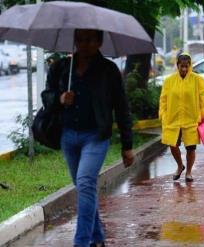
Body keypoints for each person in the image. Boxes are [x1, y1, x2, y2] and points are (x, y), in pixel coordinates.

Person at [43, 29, 134, 247]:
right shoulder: (62, 67)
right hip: (68, 136)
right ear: (75, 40)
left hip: (95, 136)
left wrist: (127, 145)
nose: (84, 44)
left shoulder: (108, 70)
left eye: (90, 40)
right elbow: (47, 96)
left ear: (99, 42)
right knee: (84, 187)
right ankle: (98, 237)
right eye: (80, 39)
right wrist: (60, 98)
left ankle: (81, 242)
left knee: (84, 183)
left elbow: (121, 107)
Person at [159, 52, 204, 182]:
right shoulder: (169, 81)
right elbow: (163, 100)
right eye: (181, 66)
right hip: (173, 119)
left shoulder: (198, 80)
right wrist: (164, 116)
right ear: (177, 65)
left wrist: (202, 115)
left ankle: (188, 172)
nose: (184, 69)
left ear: (190, 66)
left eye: (186, 66)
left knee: (191, 147)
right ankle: (179, 166)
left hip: (191, 119)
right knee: (172, 144)